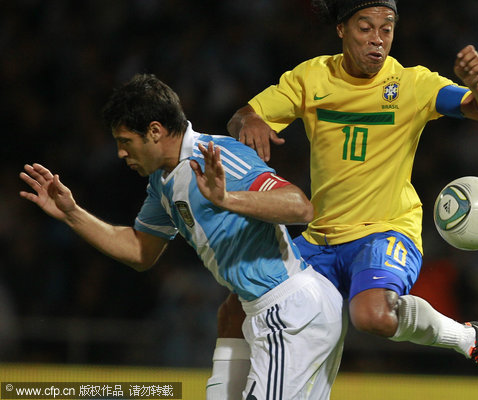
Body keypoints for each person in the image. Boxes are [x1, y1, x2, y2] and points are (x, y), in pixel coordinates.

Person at [219, 0, 478, 393]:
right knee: (235, 306)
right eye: (365, 29)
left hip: (386, 231)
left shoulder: (412, 84)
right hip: (320, 238)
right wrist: (250, 120)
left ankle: (470, 340)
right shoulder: (311, 77)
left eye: (387, 29)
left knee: (372, 316)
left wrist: (476, 85)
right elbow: (242, 115)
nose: (377, 41)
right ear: (341, 29)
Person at [19, 73, 344, 400]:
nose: (120, 153)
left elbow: (300, 207)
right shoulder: (162, 184)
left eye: (125, 142)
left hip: (290, 310)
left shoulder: (215, 154)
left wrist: (227, 199)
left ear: (155, 131)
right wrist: (73, 214)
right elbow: (140, 251)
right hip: (257, 313)